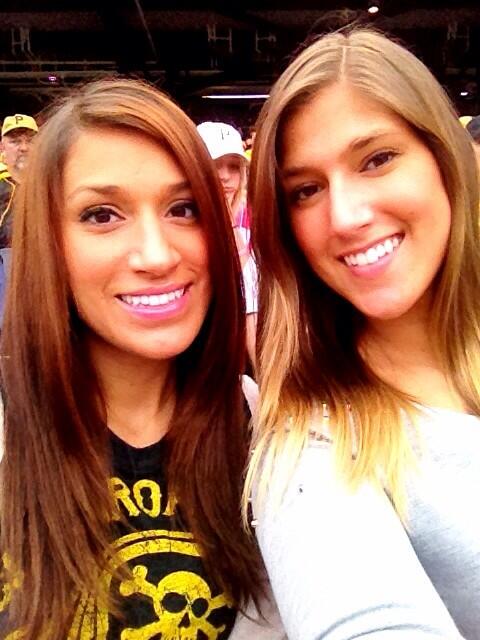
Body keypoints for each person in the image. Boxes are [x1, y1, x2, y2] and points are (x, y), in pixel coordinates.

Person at [0, 78, 276, 640]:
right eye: (102, 215)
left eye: (183, 209)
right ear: (47, 240)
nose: (155, 255)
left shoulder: (267, 434)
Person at [245, 28, 480, 639]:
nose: (346, 216)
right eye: (306, 190)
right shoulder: (311, 440)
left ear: (444, 157)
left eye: (376, 159)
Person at [197, 121, 258, 366]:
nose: (225, 176)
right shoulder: (185, 235)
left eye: (233, 167)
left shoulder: (244, 228)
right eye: (214, 166)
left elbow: (251, 313)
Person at [0, 113, 38, 248]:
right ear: (2, 147)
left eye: (30, 141)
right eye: (15, 142)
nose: (23, 148)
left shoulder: (51, 183)